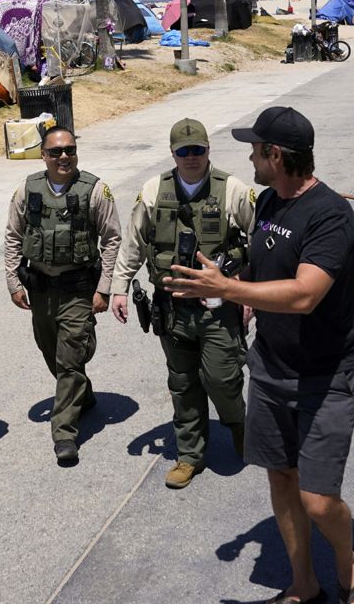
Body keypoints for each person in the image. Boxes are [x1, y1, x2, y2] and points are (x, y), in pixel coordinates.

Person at [164, 107, 354, 604]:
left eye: (255, 150)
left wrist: (229, 290)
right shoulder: (269, 202)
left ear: (275, 155)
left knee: (318, 500)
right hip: (271, 368)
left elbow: (305, 294)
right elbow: (265, 265)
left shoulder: (328, 214)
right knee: (281, 475)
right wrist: (230, 281)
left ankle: (348, 567)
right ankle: (304, 584)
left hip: (323, 377)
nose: (250, 158)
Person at [109, 119, 255, 489]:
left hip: (218, 307)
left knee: (222, 378)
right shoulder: (154, 190)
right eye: (184, 151)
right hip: (171, 307)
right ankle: (190, 454)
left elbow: (260, 236)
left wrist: (247, 288)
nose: (192, 157)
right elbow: (134, 242)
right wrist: (119, 288)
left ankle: (240, 426)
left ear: (208, 150)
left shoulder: (232, 190)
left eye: (198, 150)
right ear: (173, 153)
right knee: (182, 382)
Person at [4, 126, 121, 466]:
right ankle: (83, 395)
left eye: (69, 150)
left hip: (78, 289)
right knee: (51, 351)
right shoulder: (27, 189)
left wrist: (104, 287)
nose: (63, 157)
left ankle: (64, 433)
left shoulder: (95, 190)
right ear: (43, 155)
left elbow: (112, 239)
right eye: (55, 152)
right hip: (40, 288)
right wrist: (13, 282)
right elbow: (13, 236)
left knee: (70, 359)